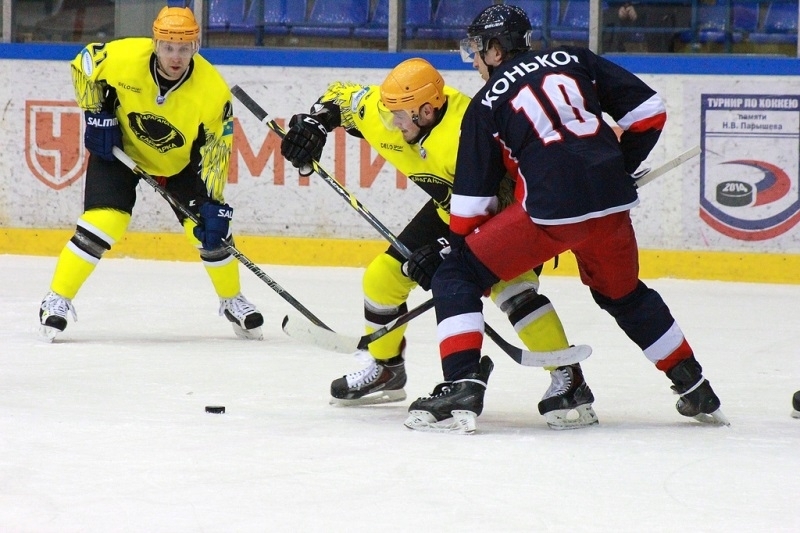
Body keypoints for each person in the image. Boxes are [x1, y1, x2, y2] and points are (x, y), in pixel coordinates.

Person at [403, 4, 728, 433]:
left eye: (478, 49)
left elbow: (471, 205)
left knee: (456, 275)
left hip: (550, 214)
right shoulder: (575, 58)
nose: (475, 60)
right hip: (612, 205)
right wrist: (619, 166)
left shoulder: (486, 103)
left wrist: (456, 254)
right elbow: (649, 111)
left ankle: (461, 386)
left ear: (496, 49)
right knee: (624, 295)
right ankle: (694, 384)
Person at [280, 57, 597, 430]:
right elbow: (341, 97)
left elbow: (503, 203)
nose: (392, 123)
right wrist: (316, 123)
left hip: (503, 214)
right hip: (450, 209)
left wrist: (446, 250)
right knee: (381, 279)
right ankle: (386, 369)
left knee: (512, 290)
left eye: (401, 116)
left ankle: (568, 377)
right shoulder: (389, 110)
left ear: (426, 111)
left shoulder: (469, 133)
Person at [38, 6, 264, 342]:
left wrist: (214, 202)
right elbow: (83, 64)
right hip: (120, 151)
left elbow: (217, 150)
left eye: (184, 48)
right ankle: (56, 299)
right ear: (155, 43)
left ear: (196, 46)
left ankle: (232, 300)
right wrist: (96, 112)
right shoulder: (125, 56)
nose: (175, 57)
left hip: (179, 165)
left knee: (209, 231)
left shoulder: (212, 90)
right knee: (103, 223)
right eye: (168, 47)